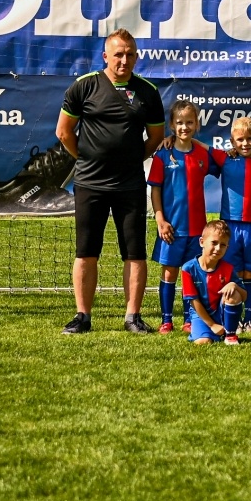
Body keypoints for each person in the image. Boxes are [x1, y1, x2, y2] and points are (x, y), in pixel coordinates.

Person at [56, 29, 166, 334]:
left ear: (136, 56)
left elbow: (155, 137)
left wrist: (129, 160)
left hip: (130, 185)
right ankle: (82, 316)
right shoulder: (84, 86)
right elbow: (64, 133)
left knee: (134, 252)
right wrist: (88, 160)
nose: (124, 60)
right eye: (118, 54)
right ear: (105, 56)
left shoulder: (147, 91)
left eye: (130, 54)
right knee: (86, 251)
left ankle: (132, 316)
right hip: (90, 184)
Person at [147, 98, 217, 333]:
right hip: (171, 228)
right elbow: (155, 190)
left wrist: (200, 144)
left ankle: (189, 319)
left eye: (189, 122)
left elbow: (224, 160)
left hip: (197, 229)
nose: (184, 127)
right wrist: (160, 220)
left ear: (197, 125)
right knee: (169, 272)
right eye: (179, 123)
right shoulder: (162, 156)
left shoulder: (202, 155)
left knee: (192, 272)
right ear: (171, 125)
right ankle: (166, 319)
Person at [212, 116, 251, 335]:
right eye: (240, 140)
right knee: (232, 273)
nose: (245, 143)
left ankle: (249, 319)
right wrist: (171, 140)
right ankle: (232, 317)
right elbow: (199, 147)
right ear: (232, 141)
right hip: (230, 226)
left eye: (250, 139)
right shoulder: (225, 159)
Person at [181, 221, 246, 345]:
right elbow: (194, 302)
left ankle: (230, 334)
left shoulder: (229, 268)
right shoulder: (188, 269)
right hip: (201, 315)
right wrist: (212, 325)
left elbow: (244, 296)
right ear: (201, 242)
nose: (217, 248)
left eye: (222, 245)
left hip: (221, 311)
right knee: (203, 342)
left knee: (233, 293)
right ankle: (207, 330)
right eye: (214, 243)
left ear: (227, 247)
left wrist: (234, 285)